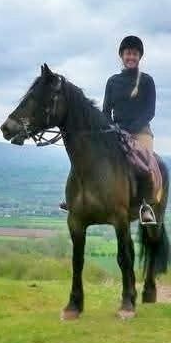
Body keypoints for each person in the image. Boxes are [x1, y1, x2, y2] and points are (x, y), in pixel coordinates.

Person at [60, 35, 159, 225]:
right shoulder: (113, 81)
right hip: (115, 130)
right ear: (122, 55)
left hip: (141, 131)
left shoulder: (147, 81)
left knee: (144, 164)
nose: (131, 57)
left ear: (140, 57)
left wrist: (130, 128)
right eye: (128, 53)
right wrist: (107, 128)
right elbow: (106, 110)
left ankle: (145, 205)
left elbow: (150, 111)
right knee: (91, 156)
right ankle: (77, 196)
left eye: (135, 54)